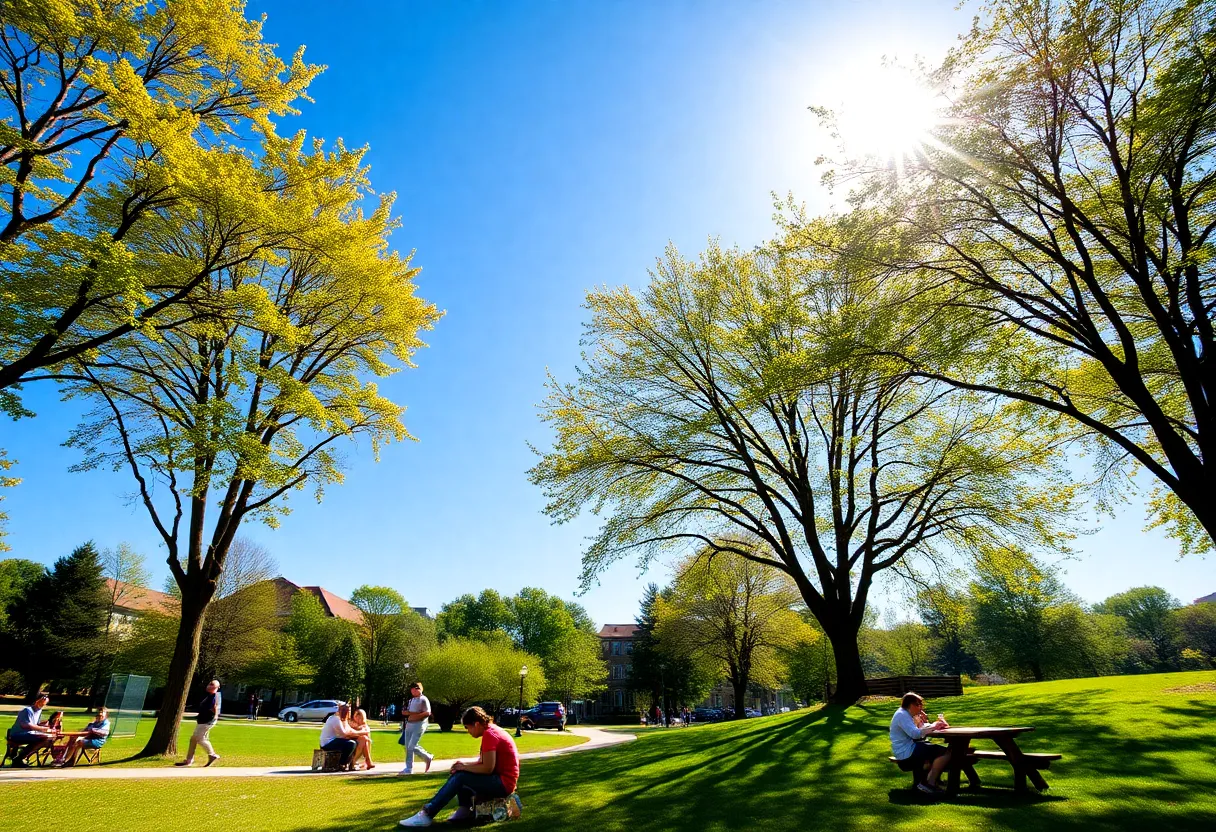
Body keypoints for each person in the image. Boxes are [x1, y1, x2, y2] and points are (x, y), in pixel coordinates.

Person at [399, 706, 519, 827]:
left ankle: (427, 813)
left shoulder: (490, 735)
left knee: (461, 776)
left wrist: (464, 767)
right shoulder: (491, 731)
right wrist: (461, 765)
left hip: (504, 783)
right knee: (460, 773)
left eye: (468, 727)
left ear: (476, 724)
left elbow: (487, 768)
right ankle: (464, 810)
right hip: (501, 780)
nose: (468, 731)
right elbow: (484, 764)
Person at [889, 691, 950, 795]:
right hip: (907, 752)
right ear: (911, 705)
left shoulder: (907, 714)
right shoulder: (902, 715)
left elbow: (920, 729)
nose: (921, 707)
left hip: (909, 749)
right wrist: (934, 726)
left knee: (943, 752)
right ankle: (929, 784)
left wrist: (926, 722)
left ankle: (929, 782)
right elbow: (915, 734)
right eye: (918, 704)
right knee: (946, 752)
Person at [176, 679, 222, 767]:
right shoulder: (211, 696)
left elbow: (215, 708)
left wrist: (214, 718)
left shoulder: (214, 696)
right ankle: (189, 760)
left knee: (199, 738)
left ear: (217, 687)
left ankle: (212, 755)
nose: (209, 686)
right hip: (203, 721)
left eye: (212, 684)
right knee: (193, 739)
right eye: (209, 683)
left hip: (206, 722)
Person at [7, 692, 56, 767]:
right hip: (18, 734)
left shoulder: (39, 711)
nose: (43, 705)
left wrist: (45, 724)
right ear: (37, 701)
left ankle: (22, 757)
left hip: (30, 734)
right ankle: (19, 758)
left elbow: (35, 724)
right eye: (42, 703)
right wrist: (42, 729)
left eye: (44, 704)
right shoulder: (27, 710)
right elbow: (25, 725)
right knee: (44, 738)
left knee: (49, 739)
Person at [399, 682, 434, 776]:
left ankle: (427, 757)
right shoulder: (411, 700)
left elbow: (427, 712)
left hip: (419, 725)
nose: (412, 691)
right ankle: (408, 768)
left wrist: (414, 715)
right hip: (409, 724)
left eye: (414, 689)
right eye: (412, 689)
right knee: (407, 747)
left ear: (419, 689)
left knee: (411, 745)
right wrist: (407, 713)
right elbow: (406, 711)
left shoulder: (423, 699)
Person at [319, 703, 359, 770]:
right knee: (351, 744)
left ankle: (352, 764)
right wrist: (360, 733)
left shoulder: (339, 718)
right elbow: (344, 734)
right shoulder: (335, 719)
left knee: (356, 742)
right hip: (327, 744)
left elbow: (349, 730)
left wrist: (360, 733)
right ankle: (342, 763)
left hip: (332, 741)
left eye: (348, 711)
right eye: (346, 711)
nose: (347, 712)